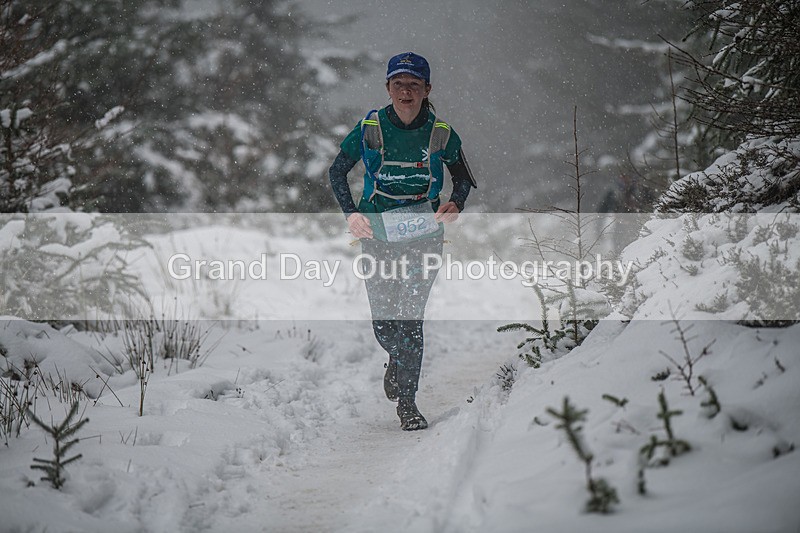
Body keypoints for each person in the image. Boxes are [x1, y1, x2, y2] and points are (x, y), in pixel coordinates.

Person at [328, 52, 477, 431]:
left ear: (427, 89)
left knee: (410, 318)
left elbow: (462, 177)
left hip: (424, 234)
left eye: (414, 85)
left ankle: (408, 403)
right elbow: (337, 171)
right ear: (388, 88)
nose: (406, 92)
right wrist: (352, 213)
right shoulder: (370, 127)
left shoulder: (440, 131)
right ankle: (398, 358)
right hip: (377, 232)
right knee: (384, 320)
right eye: (399, 84)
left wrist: (455, 203)